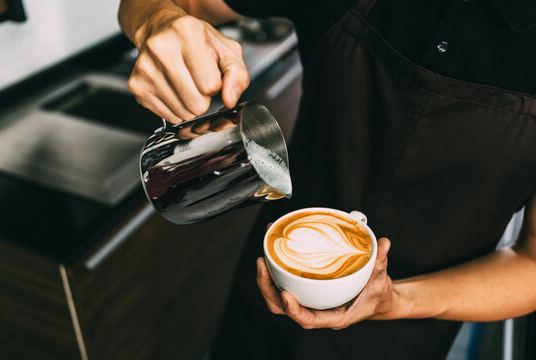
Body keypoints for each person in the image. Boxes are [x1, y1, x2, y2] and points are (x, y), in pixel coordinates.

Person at [118, 0, 536, 358]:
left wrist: (397, 300)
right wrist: (156, 21)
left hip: (410, 332)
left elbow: (530, 264)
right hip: (267, 300)